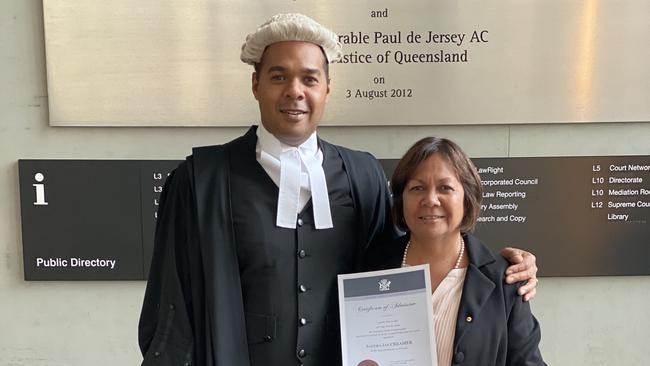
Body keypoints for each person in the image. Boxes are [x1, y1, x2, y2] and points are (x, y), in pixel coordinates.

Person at [138, 13, 539, 366]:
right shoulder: (200, 181)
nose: (295, 91)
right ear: (256, 83)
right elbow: (171, 308)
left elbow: (409, 253)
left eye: (309, 79)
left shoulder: (361, 174)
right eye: (279, 76)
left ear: (327, 89)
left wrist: (502, 269)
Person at [363, 137, 546, 366]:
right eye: (417, 188)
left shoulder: (504, 281)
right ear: (401, 200)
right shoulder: (370, 272)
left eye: (445, 188)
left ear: (467, 199)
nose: (430, 200)